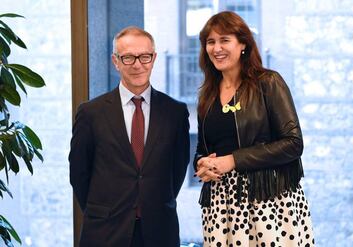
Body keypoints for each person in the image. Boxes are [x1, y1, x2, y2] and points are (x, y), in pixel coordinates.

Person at [194, 11, 315, 246]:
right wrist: (201, 163)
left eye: (224, 40)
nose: (216, 48)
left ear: (243, 45)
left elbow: (293, 143)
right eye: (210, 42)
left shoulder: (269, 82)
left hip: (268, 201)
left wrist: (233, 160)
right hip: (220, 206)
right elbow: (202, 148)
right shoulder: (206, 95)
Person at [69, 26, 190, 247]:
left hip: (159, 230)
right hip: (104, 231)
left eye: (144, 57)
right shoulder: (90, 113)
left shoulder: (175, 112)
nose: (137, 65)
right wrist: (101, 211)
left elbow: (178, 170)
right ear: (115, 61)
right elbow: (79, 173)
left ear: (153, 59)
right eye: (127, 58)